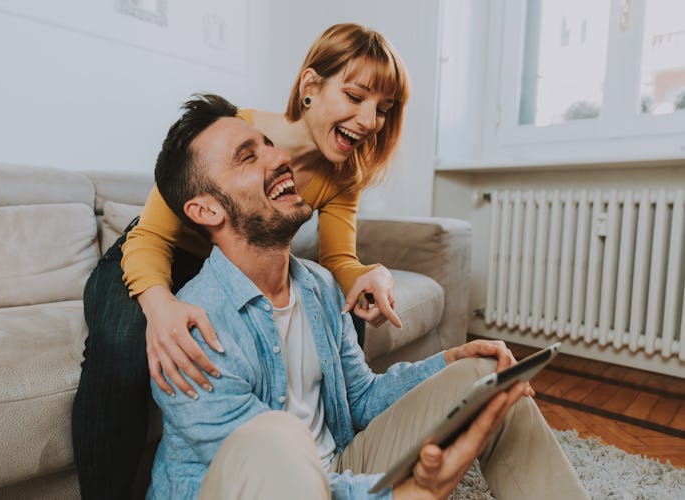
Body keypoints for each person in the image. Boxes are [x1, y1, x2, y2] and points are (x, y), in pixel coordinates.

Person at [146, 94, 589, 499]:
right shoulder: (191, 330)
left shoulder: (318, 286)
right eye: (248, 157)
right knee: (277, 436)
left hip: (340, 469)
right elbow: (272, 480)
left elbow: (361, 399)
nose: (280, 158)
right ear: (207, 210)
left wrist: (449, 362)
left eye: (268, 145)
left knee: (487, 374)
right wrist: (401, 494)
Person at [73, 23, 413, 498]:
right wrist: (158, 305)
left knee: (342, 314)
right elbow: (150, 237)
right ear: (310, 88)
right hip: (157, 257)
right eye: (356, 97)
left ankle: (330, 459)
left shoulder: (341, 174)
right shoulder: (232, 134)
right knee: (129, 341)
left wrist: (366, 275)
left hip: (228, 264)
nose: (370, 119)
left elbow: (339, 259)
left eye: (383, 108)